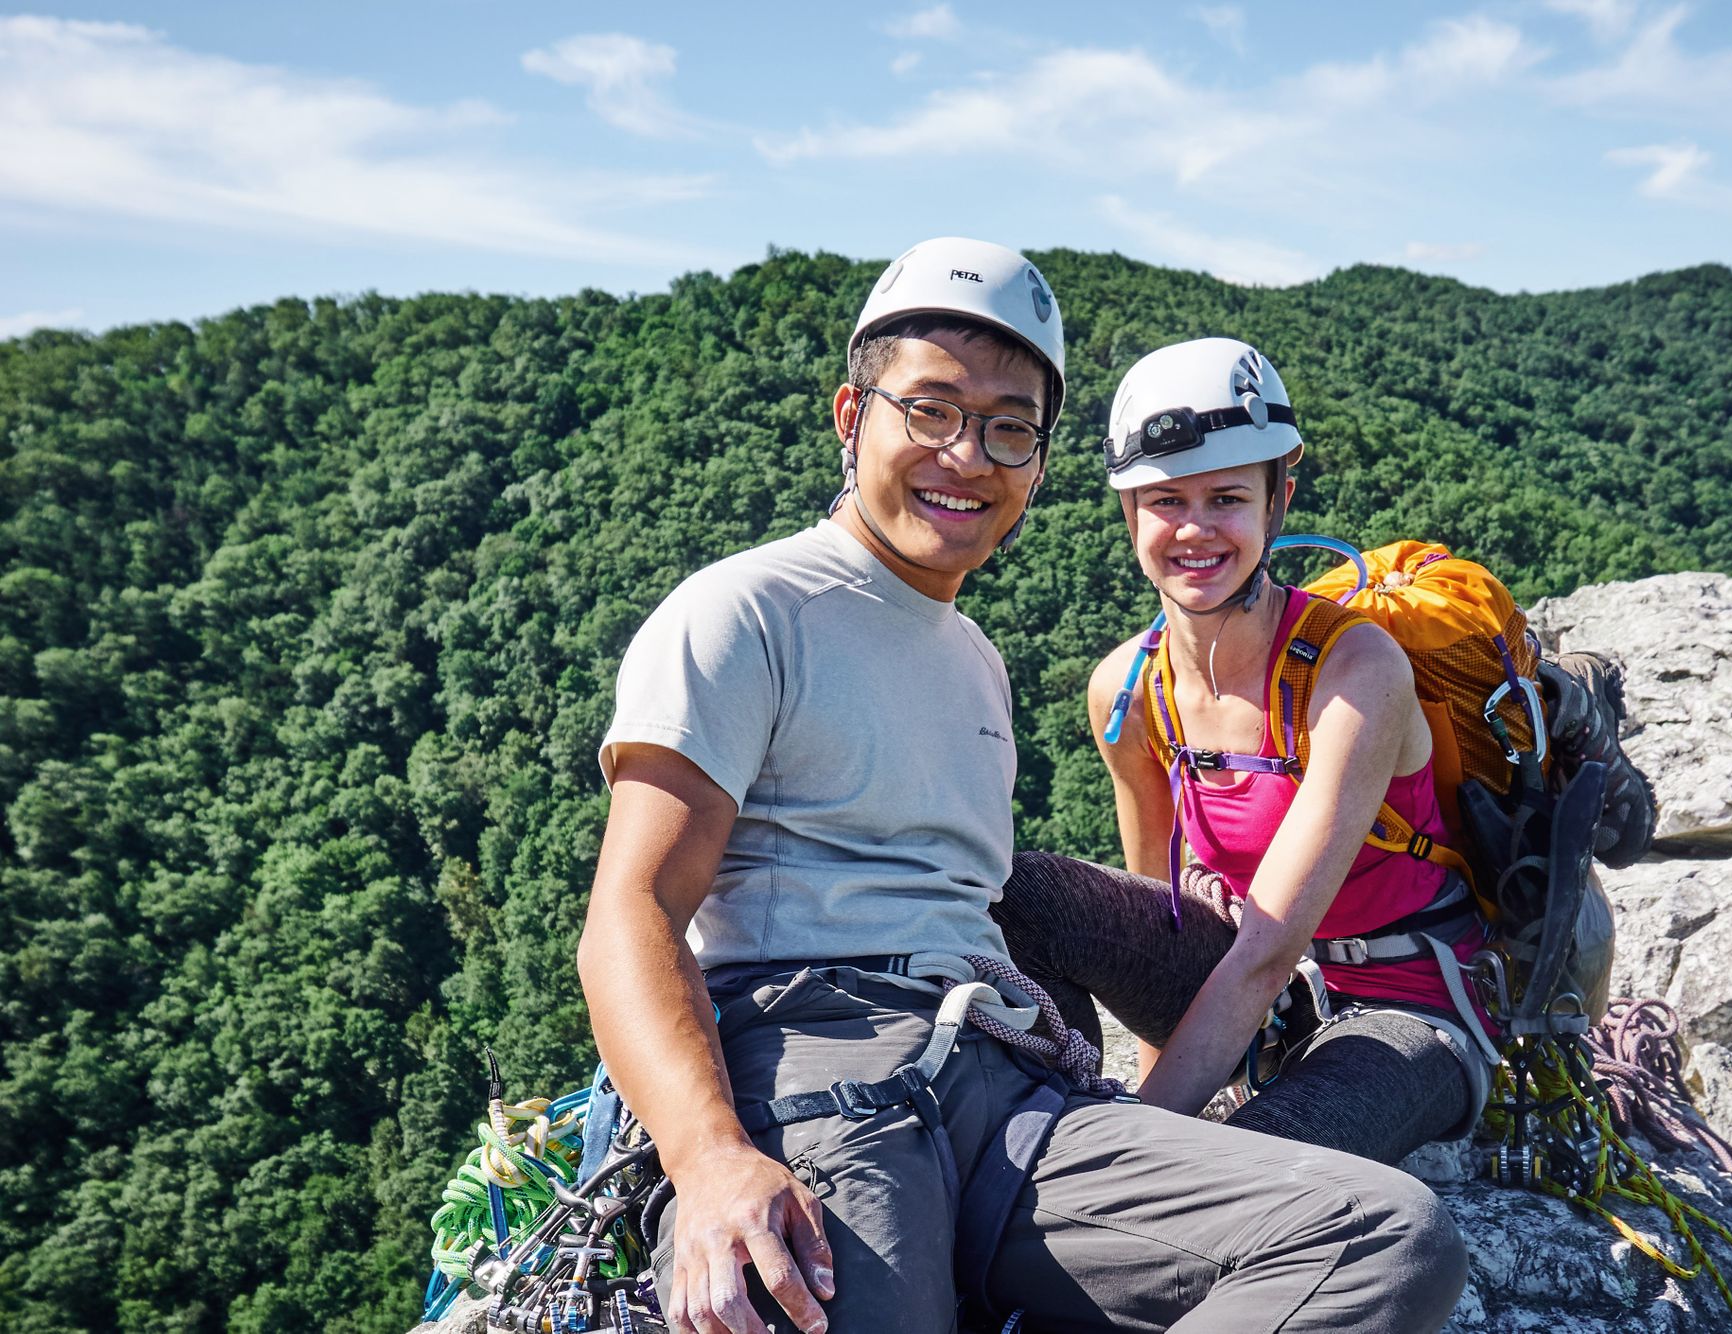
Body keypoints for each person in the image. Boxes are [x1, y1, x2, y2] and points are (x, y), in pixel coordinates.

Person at [581, 243, 1467, 1334]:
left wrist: (1140, 1125)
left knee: (1380, 1236)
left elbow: (1184, 926)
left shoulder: (975, 660)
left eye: (1008, 428)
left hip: (997, 1076)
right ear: (851, 414)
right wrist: (709, 1156)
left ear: (1037, 466)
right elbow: (631, 908)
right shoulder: (744, 611)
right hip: (821, 1075)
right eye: (931, 410)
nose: (968, 455)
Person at [997, 337, 1500, 1165]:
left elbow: (1265, 950)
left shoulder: (1355, 669)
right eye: (1165, 501)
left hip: (1407, 1006)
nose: (1195, 530)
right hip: (1257, 999)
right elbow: (1165, 918)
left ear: (1277, 501)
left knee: (1250, 1171)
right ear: (1129, 515)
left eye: (1226, 497)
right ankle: (1043, 1122)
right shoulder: (1128, 688)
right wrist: (1136, 1092)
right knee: (1017, 894)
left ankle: (1088, 1170)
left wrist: (1134, 1147)